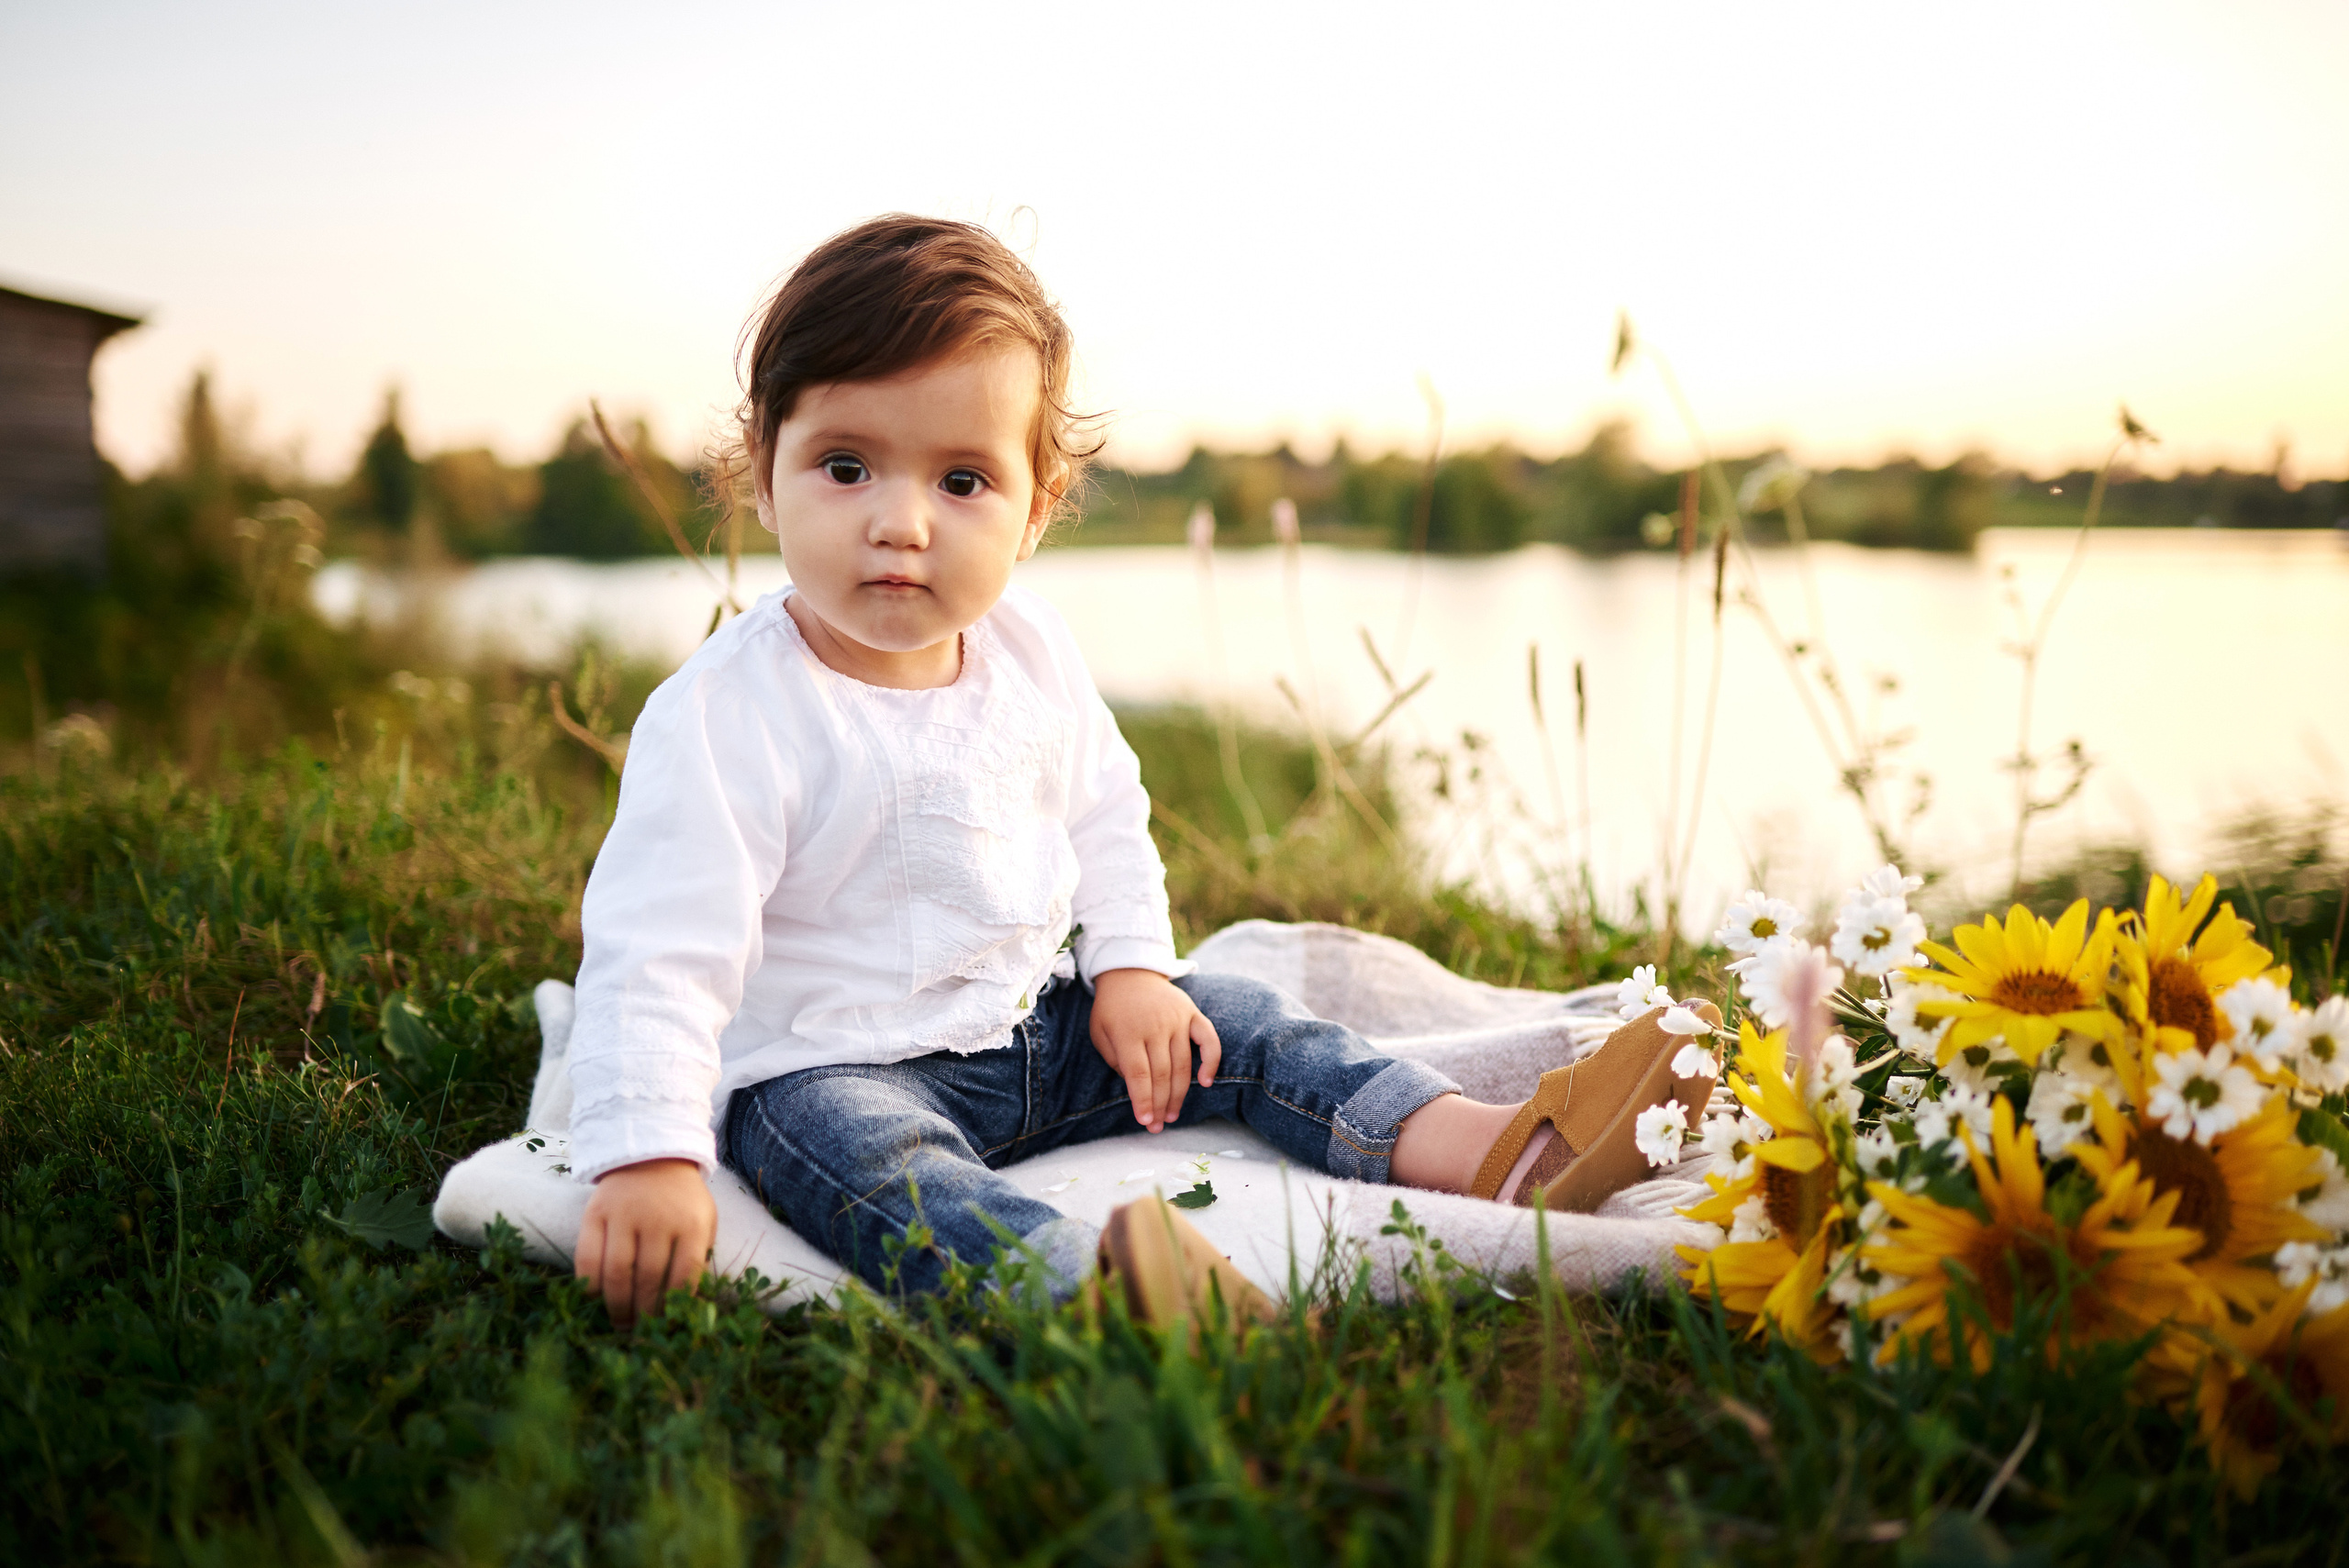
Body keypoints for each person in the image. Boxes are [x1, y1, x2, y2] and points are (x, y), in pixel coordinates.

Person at [565, 215, 1715, 1328]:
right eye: (848, 466)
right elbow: (660, 951)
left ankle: (1488, 1147)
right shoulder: (730, 712)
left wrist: (1128, 973)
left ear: (1034, 510)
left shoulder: (1029, 652)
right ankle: (1097, 1295)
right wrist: (650, 1150)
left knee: (1240, 1020)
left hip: (1039, 1035)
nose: (901, 523)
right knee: (876, 1168)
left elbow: (1106, 820)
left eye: (961, 482)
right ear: (762, 472)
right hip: (835, 1063)